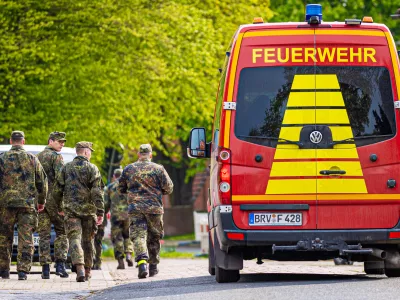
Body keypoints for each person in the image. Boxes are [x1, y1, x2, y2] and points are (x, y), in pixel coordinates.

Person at [119, 144, 173, 279]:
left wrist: (133, 191)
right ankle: (153, 266)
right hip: (154, 208)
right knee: (154, 236)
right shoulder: (158, 169)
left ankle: (142, 262)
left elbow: (120, 188)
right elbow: (169, 187)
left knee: (138, 236)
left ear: (138, 154)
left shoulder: (128, 169)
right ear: (151, 154)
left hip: (135, 208)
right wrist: (158, 191)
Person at [53, 141, 104, 282]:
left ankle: (79, 267)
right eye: (90, 152)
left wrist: (59, 207)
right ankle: (87, 271)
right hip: (88, 212)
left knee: (74, 239)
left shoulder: (66, 168)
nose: (91, 154)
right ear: (86, 152)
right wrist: (100, 211)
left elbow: (57, 191)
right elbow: (97, 192)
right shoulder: (93, 168)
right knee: (88, 241)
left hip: (71, 211)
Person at [0, 131, 48, 280]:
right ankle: (22, 271)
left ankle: (3, 270)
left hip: (5, 205)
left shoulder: (2, 159)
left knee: (3, 238)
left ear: (10, 141)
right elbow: (42, 182)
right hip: (27, 205)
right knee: (26, 239)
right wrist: (41, 201)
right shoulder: (32, 159)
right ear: (23, 141)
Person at [37, 131, 69, 279]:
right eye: (59, 141)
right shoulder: (56, 157)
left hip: (41, 202)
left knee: (43, 234)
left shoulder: (37, 157)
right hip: (55, 202)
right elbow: (61, 180)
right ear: (51, 141)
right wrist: (63, 204)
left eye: (63, 142)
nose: (62, 144)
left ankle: (45, 269)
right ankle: (60, 265)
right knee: (62, 232)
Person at [106, 168, 134, 269]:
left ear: (114, 176)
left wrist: (103, 213)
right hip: (128, 214)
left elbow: (106, 203)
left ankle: (120, 261)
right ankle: (129, 254)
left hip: (115, 216)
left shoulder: (110, 187)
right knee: (128, 236)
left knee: (117, 238)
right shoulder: (129, 186)